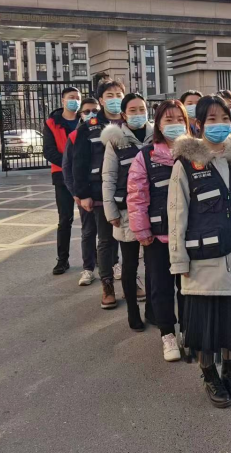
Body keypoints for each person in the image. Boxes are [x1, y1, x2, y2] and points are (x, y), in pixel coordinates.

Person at [169, 94, 231, 408]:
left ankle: (230, 371)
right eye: (212, 119)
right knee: (207, 325)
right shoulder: (185, 165)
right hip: (205, 263)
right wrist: (178, 261)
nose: (219, 125)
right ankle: (210, 375)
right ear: (198, 124)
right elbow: (177, 216)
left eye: (225, 118)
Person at [127, 99, 190, 361]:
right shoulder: (145, 156)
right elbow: (137, 196)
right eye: (168, 120)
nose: (175, 125)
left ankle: (188, 330)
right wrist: (142, 231)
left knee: (188, 286)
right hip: (158, 236)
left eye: (180, 120)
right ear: (159, 125)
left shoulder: (196, 153)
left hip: (190, 234)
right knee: (161, 288)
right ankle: (168, 334)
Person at [73, 79, 126, 310]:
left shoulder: (131, 122)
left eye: (118, 94)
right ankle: (107, 286)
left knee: (131, 240)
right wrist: (83, 194)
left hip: (130, 192)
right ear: (101, 100)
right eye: (109, 95)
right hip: (100, 192)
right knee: (105, 240)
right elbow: (79, 163)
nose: (115, 99)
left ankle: (131, 279)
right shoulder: (89, 126)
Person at [101, 93, 152, 330]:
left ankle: (152, 308)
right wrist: (110, 210)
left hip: (155, 209)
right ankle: (133, 311)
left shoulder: (157, 135)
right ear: (123, 114)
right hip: (126, 211)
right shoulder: (115, 140)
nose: (138, 113)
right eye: (133, 110)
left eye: (142, 109)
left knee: (153, 264)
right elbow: (109, 177)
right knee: (130, 265)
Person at [43, 87, 83, 276]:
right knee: (65, 219)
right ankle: (62, 260)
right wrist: (70, 165)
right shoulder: (52, 123)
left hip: (84, 176)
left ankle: (94, 257)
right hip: (62, 176)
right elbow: (49, 151)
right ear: (63, 100)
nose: (75, 100)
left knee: (90, 219)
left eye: (77, 98)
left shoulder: (85, 120)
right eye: (71, 97)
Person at [63, 97, 100, 286]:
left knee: (110, 233)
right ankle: (88, 269)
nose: (92, 114)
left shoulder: (108, 131)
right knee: (88, 232)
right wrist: (76, 193)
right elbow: (68, 168)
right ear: (80, 114)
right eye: (87, 111)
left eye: (95, 110)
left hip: (105, 192)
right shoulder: (75, 136)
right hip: (85, 193)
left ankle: (113, 263)